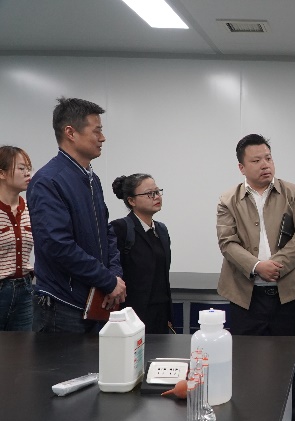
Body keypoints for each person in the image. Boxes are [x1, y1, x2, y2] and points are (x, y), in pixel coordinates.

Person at [216, 134, 295, 421]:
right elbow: (227, 243)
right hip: (246, 298)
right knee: (246, 369)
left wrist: (277, 266)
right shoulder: (228, 199)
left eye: (268, 158)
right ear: (241, 167)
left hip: (287, 296)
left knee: (291, 368)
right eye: (256, 160)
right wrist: (258, 266)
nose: (265, 165)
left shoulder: (292, 192)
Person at [27, 97, 126, 333]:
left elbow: (107, 232)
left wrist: (114, 276)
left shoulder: (92, 179)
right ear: (70, 132)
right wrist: (107, 280)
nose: (102, 138)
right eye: (96, 131)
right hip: (63, 306)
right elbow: (57, 244)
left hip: (95, 300)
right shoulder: (49, 181)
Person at [111, 174, 172, 334]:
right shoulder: (120, 228)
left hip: (160, 313)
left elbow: (163, 277)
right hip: (132, 315)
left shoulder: (161, 230)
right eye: (149, 193)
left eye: (157, 192)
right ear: (132, 201)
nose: (156, 197)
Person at [0, 146, 34, 331]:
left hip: (25, 288)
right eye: (21, 168)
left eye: (28, 168)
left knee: (23, 346)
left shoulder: (31, 209)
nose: (27, 173)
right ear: (2, 173)